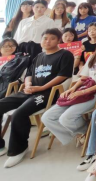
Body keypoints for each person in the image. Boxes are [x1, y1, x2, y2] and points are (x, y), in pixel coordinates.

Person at [0, 28, 73, 167]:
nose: (48, 41)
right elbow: (29, 74)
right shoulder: (39, 56)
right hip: (31, 91)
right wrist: (28, 84)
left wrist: (42, 88)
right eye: (45, 38)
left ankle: (18, 149)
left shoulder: (65, 54)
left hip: (48, 94)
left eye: (52, 38)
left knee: (19, 113)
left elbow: (63, 76)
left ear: (59, 40)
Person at [42, 29, 96, 149]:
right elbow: (84, 77)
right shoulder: (93, 56)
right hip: (82, 92)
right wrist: (72, 89)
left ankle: (84, 131)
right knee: (47, 117)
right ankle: (82, 132)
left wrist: (83, 91)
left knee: (66, 118)